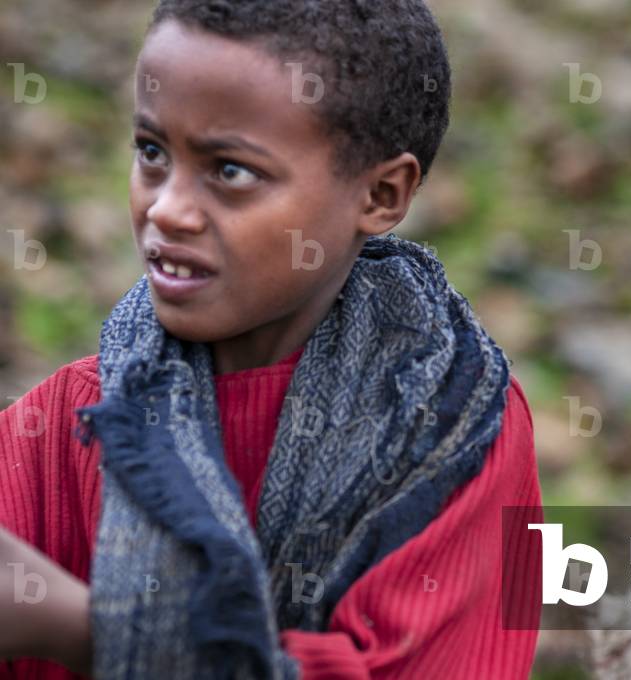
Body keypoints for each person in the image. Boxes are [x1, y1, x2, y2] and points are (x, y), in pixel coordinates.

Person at [0, 2, 541, 678]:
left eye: (230, 171)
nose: (166, 208)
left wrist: (82, 630)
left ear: (381, 193)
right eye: (151, 152)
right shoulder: (72, 421)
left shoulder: (461, 429)